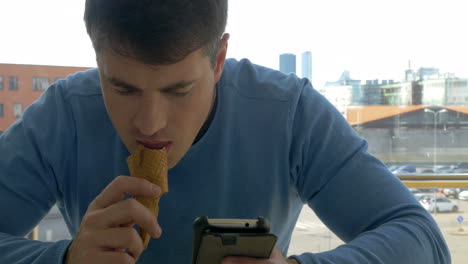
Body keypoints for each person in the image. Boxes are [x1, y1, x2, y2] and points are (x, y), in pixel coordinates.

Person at [0, 0, 450, 263]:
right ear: (97, 63)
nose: (150, 124)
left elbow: (422, 238)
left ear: (218, 61)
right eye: (121, 86)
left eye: (179, 89)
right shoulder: (62, 116)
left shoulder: (288, 112)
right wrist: (62, 259)